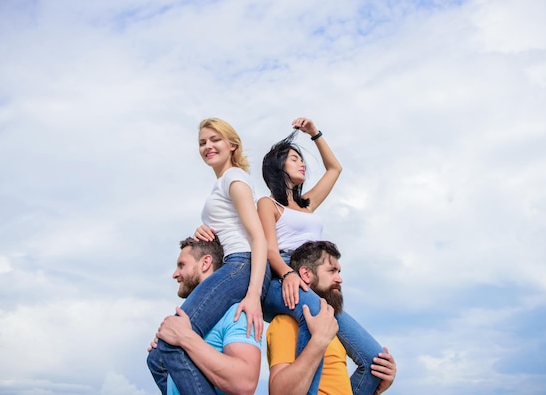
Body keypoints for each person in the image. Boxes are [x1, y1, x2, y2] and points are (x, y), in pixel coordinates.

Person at [258, 117, 384, 394]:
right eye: (294, 159)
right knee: (316, 315)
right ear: (279, 167)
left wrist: (315, 134)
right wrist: (289, 274)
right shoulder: (268, 204)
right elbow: (268, 249)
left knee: (375, 361)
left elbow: (335, 168)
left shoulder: (307, 204)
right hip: (282, 279)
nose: (302, 163)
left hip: (310, 279)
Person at [147, 118, 268, 394]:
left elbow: (257, 237)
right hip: (232, 263)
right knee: (157, 358)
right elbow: (230, 230)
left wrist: (253, 295)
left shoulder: (234, 179)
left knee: (169, 343)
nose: (207, 146)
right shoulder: (223, 184)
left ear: (232, 145)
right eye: (202, 142)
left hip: (241, 265)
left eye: (215, 140)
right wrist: (205, 231)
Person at [267, 241, 397, 395]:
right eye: (332, 271)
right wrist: (318, 342)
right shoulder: (286, 323)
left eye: (339, 272)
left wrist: (376, 385)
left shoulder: (334, 329)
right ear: (306, 274)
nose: (339, 279)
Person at [148, 236, 261, 395]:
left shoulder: (236, 313)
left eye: (182, 265)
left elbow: (245, 383)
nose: (175, 274)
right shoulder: (188, 319)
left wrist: (185, 338)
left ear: (205, 263)